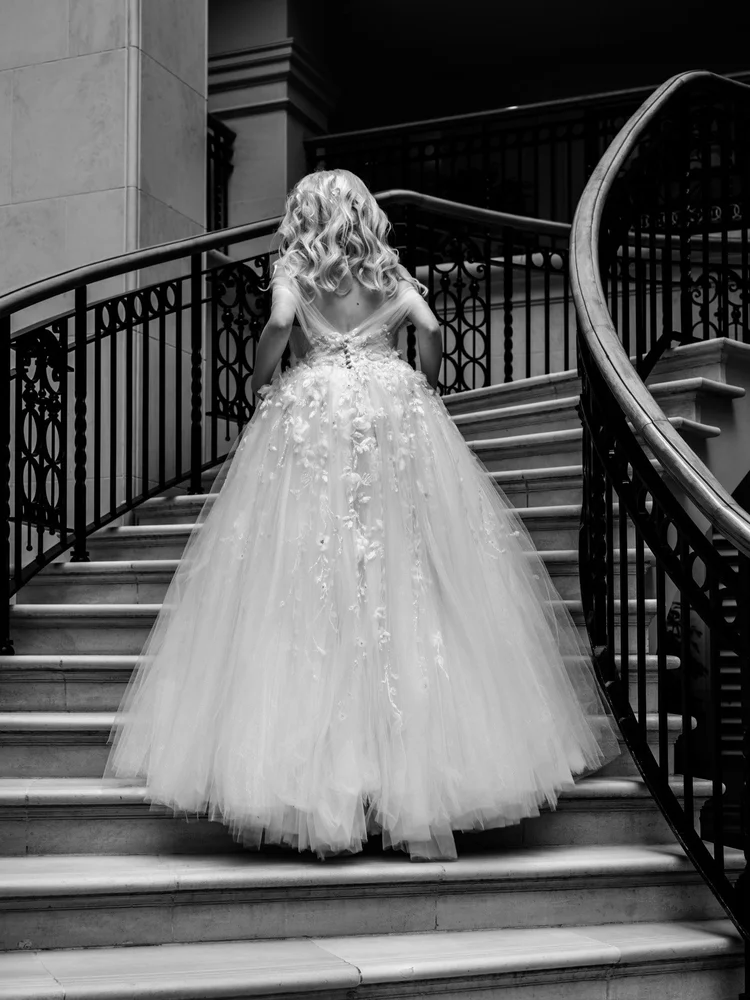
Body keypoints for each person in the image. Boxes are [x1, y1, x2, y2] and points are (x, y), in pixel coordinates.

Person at [106, 169, 619, 862]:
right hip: (391, 406)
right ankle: (412, 781)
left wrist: (262, 378)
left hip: (313, 410)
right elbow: (432, 327)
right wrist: (423, 379)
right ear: (363, 212)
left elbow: (281, 323)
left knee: (308, 572)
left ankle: (321, 788)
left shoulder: (295, 266)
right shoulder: (384, 269)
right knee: (407, 573)